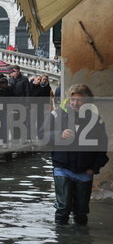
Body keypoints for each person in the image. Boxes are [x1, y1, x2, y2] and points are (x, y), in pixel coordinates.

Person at [38, 84, 109, 225]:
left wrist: (94, 168)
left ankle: (81, 238)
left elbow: (102, 146)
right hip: (62, 168)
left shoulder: (96, 120)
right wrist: (59, 134)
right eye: (73, 99)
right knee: (63, 208)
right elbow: (41, 135)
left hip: (85, 170)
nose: (75, 103)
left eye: (80, 100)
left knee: (81, 211)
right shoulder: (56, 115)